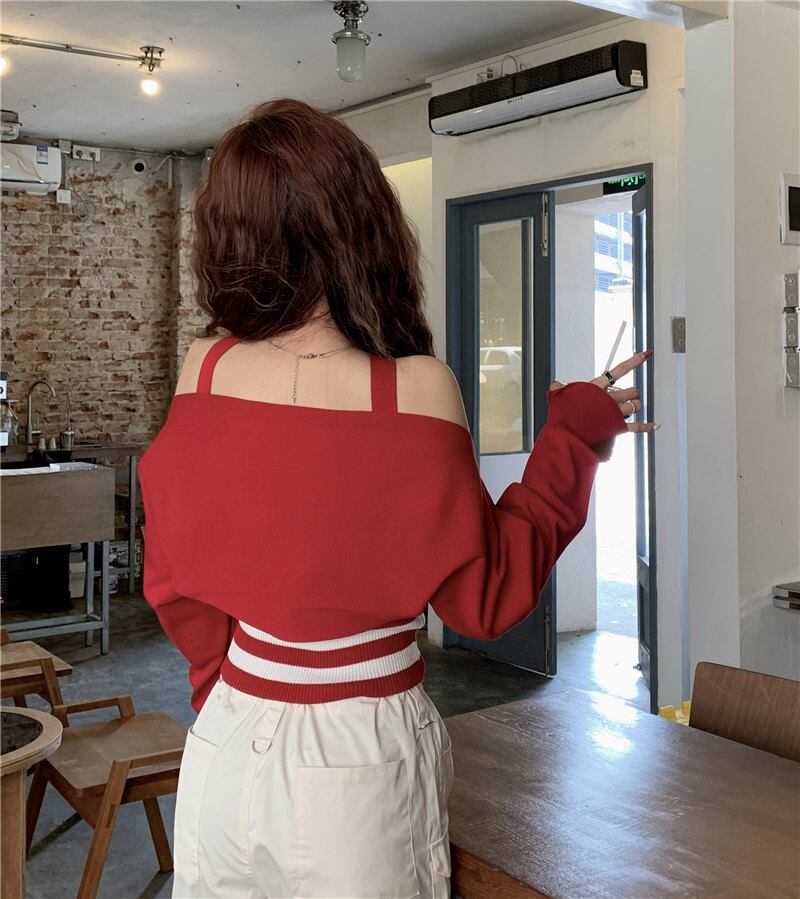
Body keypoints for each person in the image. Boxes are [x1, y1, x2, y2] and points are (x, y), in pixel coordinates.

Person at [138, 97, 656, 899]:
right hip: (361, 754)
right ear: (364, 222)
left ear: (227, 237)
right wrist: (574, 438)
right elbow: (486, 597)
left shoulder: (202, 370)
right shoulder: (417, 388)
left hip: (226, 743)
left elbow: (171, 578)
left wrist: (228, 687)